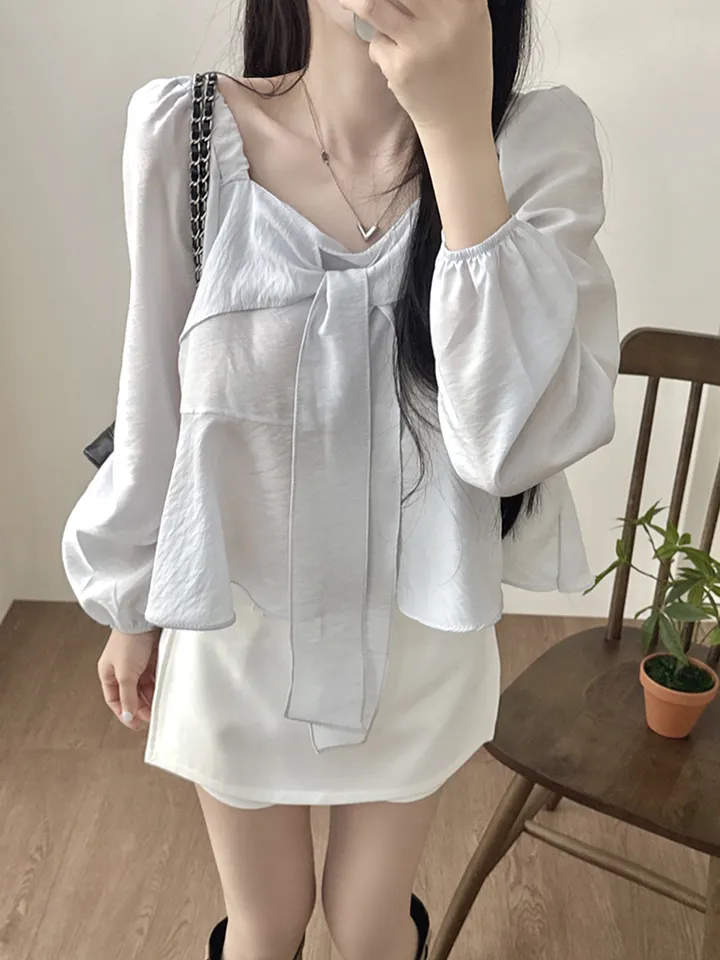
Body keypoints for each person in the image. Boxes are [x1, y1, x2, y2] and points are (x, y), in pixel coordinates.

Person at [61, 0, 619, 957]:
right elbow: (155, 397)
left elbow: (512, 443)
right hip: (235, 633)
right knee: (266, 922)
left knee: (368, 926)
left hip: (419, 633)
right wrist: (131, 603)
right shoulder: (185, 135)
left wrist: (454, 133)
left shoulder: (535, 146)